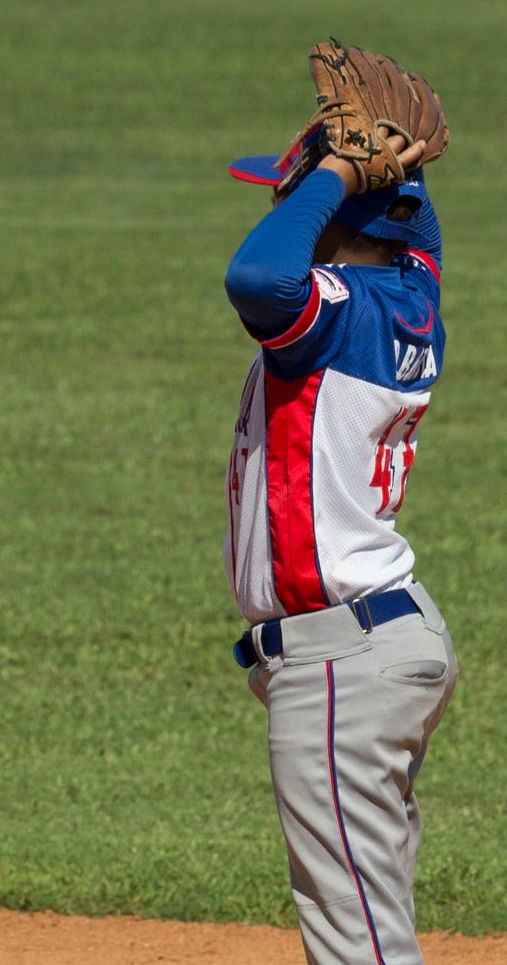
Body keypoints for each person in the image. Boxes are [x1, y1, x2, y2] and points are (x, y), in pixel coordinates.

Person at [224, 125, 456, 964]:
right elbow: (418, 238)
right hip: (384, 642)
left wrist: (331, 173)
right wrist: (398, 176)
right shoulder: (409, 297)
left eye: (292, 197)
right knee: (371, 911)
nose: (283, 206)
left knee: (357, 939)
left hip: (342, 664)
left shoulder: (332, 315)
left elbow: (257, 275)